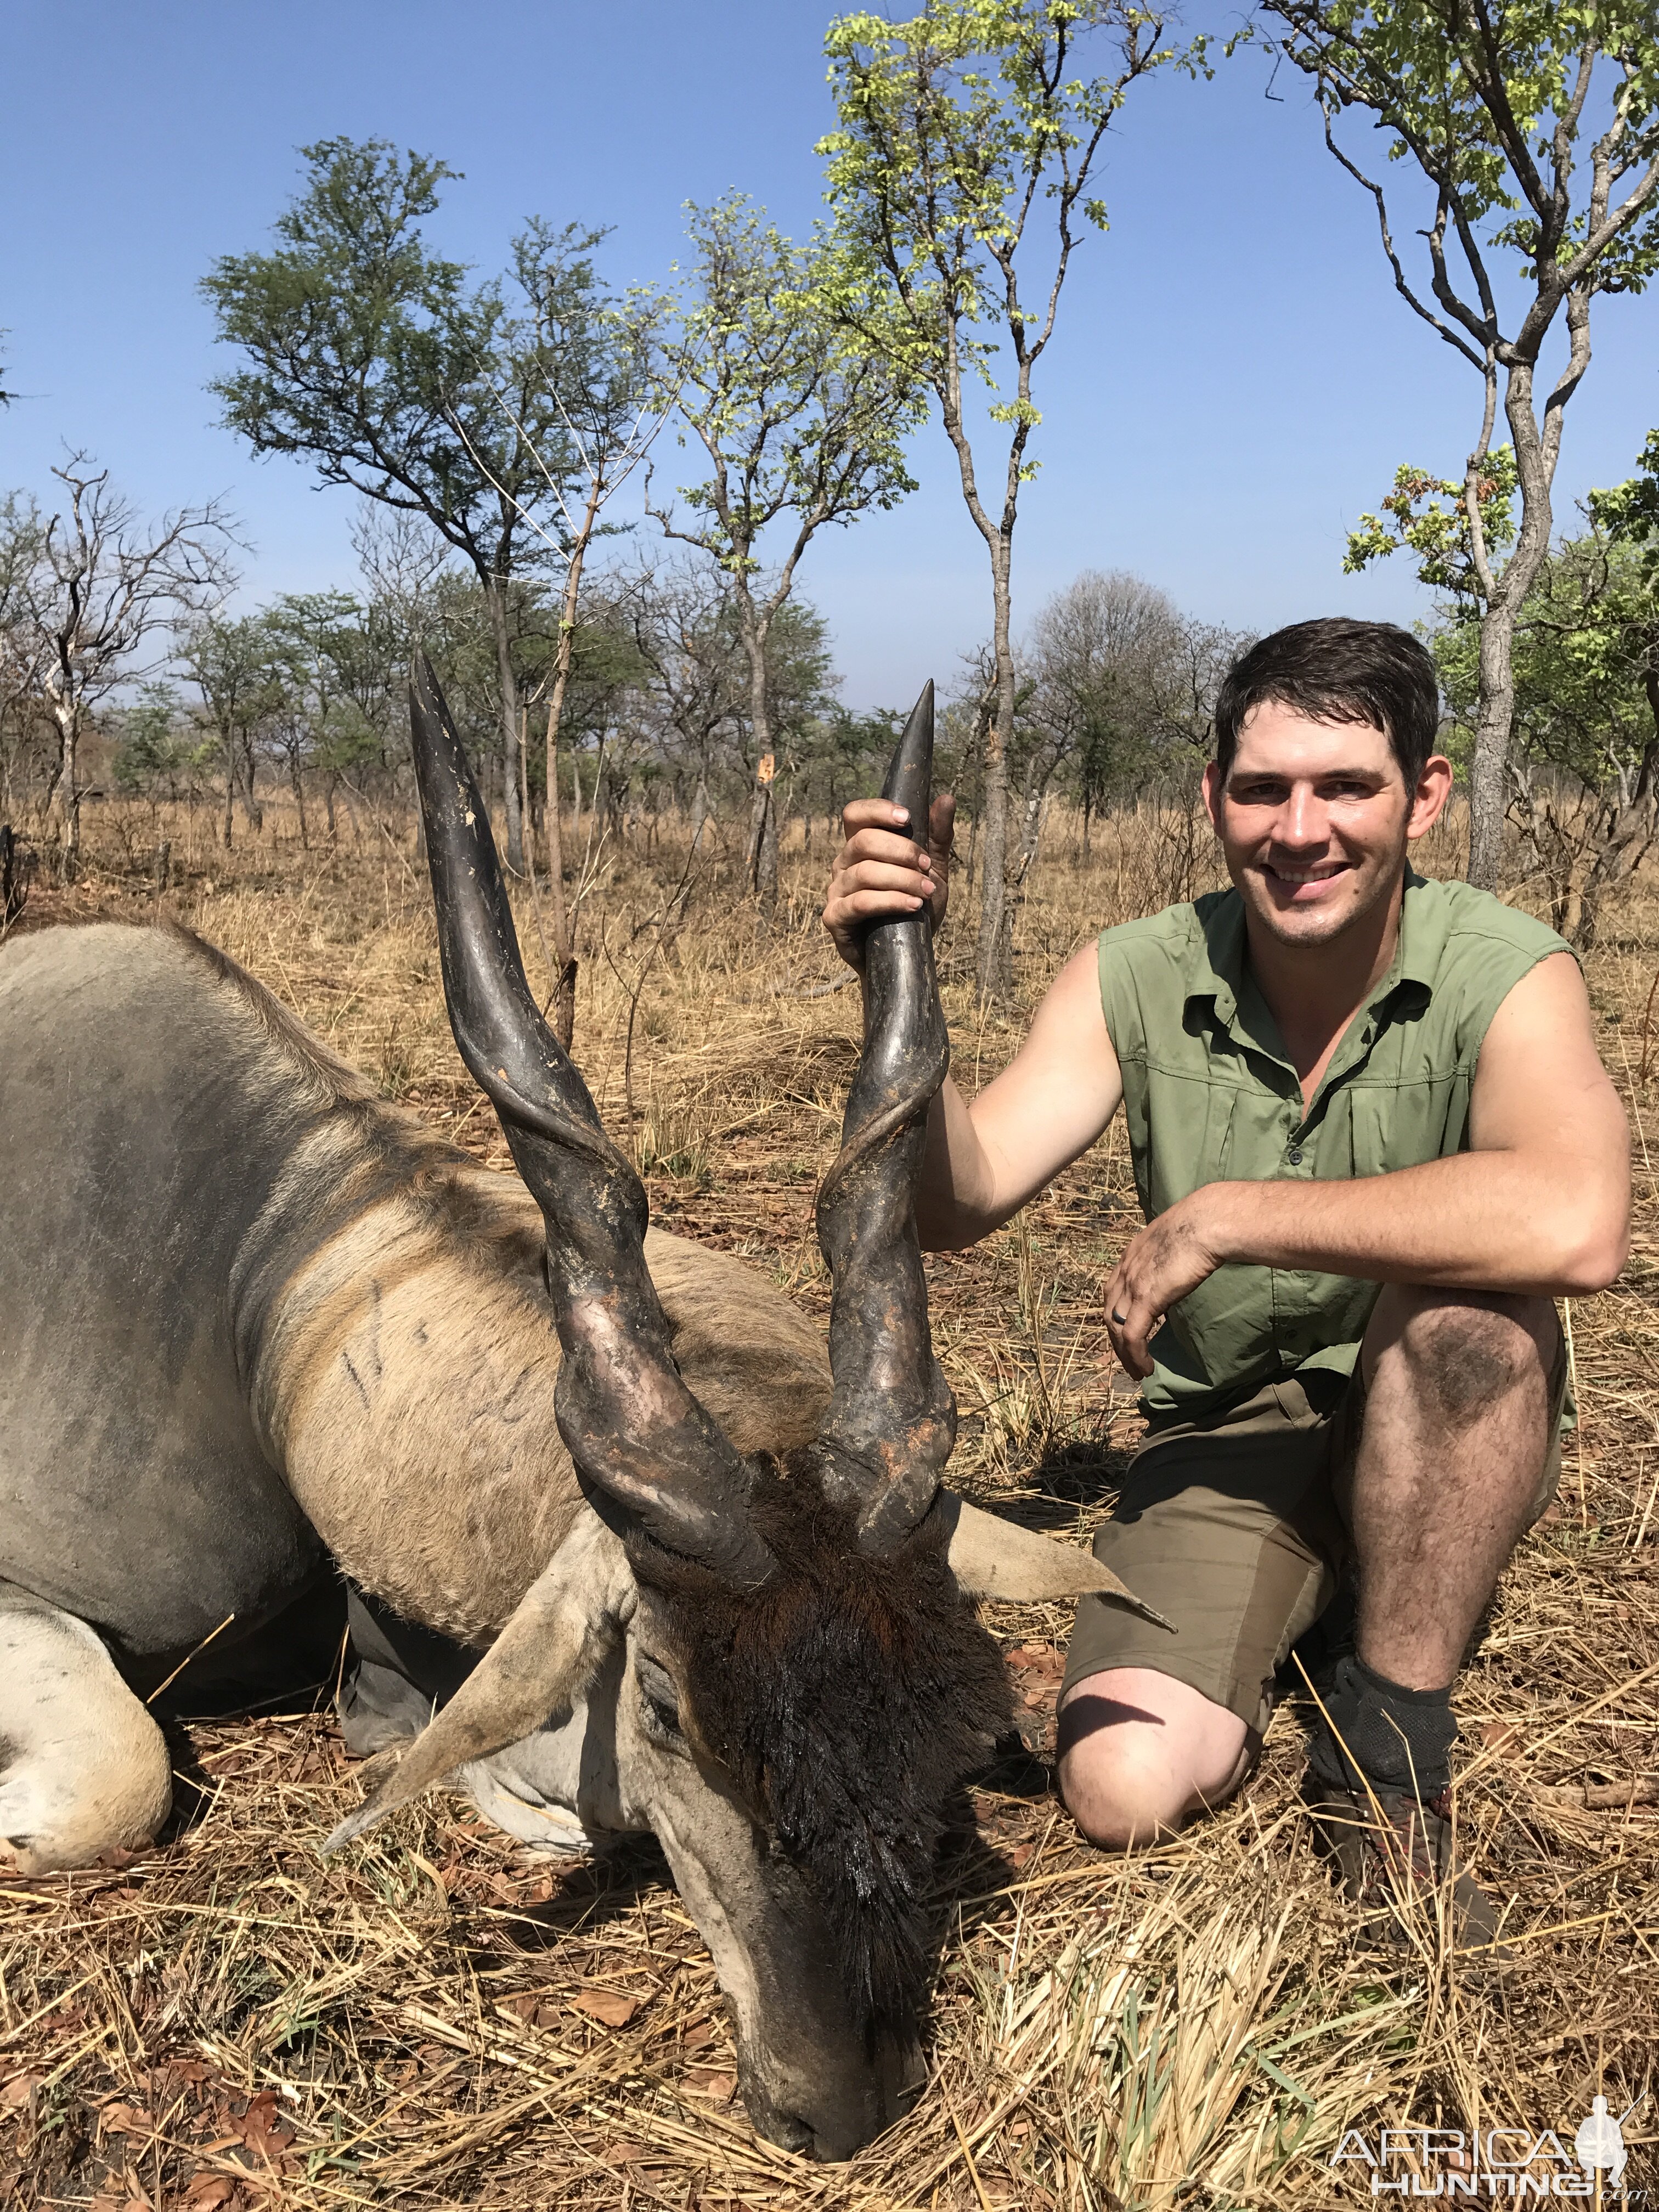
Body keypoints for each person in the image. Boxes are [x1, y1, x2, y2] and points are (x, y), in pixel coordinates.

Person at [821, 618, 1630, 1943]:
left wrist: (1236, 1217)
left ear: (1423, 797)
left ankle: (1387, 1749)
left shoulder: (1508, 968)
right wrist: (893, 983)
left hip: (1429, 1405)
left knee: (1474, 1323)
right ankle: (1336, 1587)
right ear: (1213, 801)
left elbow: (1581, 1222)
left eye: (1347, 788)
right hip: (1228, 1431)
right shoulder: (1133, 970)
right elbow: (955, 1201)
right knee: (1122, 1784)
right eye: (1262, 791)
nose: (1300, 830)